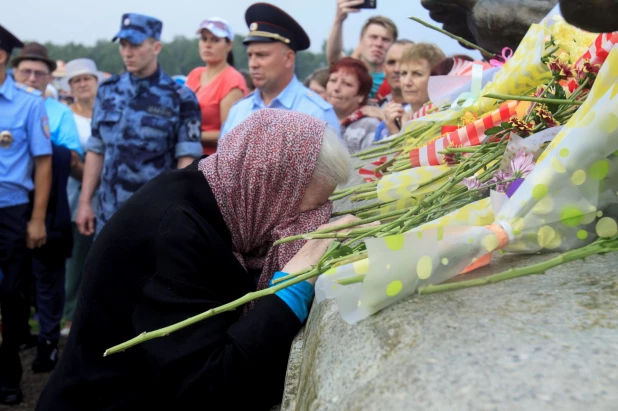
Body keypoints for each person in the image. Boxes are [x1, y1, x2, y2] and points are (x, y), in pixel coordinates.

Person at [36, 109, 354, 410]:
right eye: (303, 213)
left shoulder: (218, 193)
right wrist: (292, 288)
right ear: (265, 185)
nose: (308, 227)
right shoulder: (175, 234)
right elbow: (208, 386)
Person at [75, 13, 203, 237]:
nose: (127, 52)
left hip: (154, 216)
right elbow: (96, 150)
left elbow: (187, 161)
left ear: (156, 47)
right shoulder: (107, 90)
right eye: (123, 45)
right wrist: (85, 202)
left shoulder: (180, 97)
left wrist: (176, 212)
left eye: (135, 45)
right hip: (108, 214)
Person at [12, 42, 83, 374]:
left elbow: (70, 159)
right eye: (25, 70)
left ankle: (48, 342)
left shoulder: (59, 112)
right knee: (14, 278)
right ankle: (19, 335)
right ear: (14, 71)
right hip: (11, 204)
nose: (32, 77)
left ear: (48, 77)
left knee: (48, 278)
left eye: (39, 73)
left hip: (51, 205)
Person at [0, 25, 52, 406]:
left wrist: (36, 219)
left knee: (11, 296)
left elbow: (43, 163)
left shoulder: (28, 103)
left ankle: (7, 378)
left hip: (11, 211)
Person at [220, 3, 340, 138]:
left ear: (288, 58)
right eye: (250, 55)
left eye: (261, 55)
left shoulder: (317, 113)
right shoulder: (239, 110)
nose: (253, 64)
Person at [59, 58, 104, 337]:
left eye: (87, 78)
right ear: (71, 86)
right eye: (76, 80)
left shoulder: (107, 112)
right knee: (78, 256)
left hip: (111, 194)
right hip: (77, 193)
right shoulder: (67, 115)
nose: (83, 83)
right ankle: (70, 316)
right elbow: (70, 158)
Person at [186, 18, 247, 155]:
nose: (207, 45)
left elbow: (230, 134)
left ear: (229, 45)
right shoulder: (194, 74)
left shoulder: (232, 80)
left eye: (215, 40)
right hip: (187, 156)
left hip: (211, 162)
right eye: (204, 39)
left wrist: (189, 136)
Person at [326, 0, 397, 98]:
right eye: (373, 37)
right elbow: (334, 56)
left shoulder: (398, 78)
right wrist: (339, 20)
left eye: (385, 39)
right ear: (361, 40)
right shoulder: (349, 70)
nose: (378, 44)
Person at [383, 43, 445, 136]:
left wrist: (403, 135)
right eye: (403, 73)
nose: (407, 82)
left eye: (417, 74)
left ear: (437, 78)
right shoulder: (391, 121)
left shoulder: (449, 120)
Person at [326, 57, 380, 154]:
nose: (336, 88)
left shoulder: (370, 126)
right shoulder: (318, 118)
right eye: (333, 80)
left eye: (347, 84)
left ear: (361, 95)